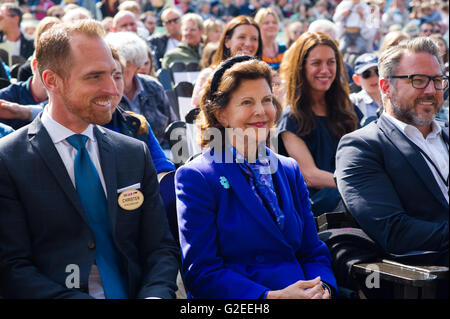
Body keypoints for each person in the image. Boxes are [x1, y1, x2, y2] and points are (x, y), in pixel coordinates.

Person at [0, 19, 179, 299]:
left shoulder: (133, 153)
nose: (112, 89)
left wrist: (155, 295)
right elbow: (12, 268)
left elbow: (160, 248)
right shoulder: (9, 160)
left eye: (113, 74)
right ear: (51, 80)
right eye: (94, 76)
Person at [176, 56, 337, 299]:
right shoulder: (197, 177)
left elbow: (312, 251)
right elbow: (201, 272)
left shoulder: (288, 169)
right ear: (221, 115)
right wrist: (271, 297)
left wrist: (322, 288)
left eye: (266, 100)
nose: (261, 112)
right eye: (247, 102)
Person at [335, 37, 449, 266]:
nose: (431, 90)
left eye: (437, 80)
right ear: (386, 87)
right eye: (418, 80)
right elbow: (394, 232)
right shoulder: (361, 147)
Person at [277, 32, 362, 216]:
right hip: (319, 206)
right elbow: (310, 176)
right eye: (316, 63)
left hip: (355, 195)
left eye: (331, 62)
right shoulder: (291, 118)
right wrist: (356, 183)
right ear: (301, 68)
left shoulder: (349, 110)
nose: (325, 70)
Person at [105, 31, 178, 150]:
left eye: (128, 64)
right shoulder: (108, 92)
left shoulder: (152, 86)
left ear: (136, 65)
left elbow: (174, 127)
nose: (121, 68)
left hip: (163, 153)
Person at [191, 15, 262, 108]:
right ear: (227, 41)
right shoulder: (209, 75)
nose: (248, 43)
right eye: (242, 37)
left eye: (254, 39)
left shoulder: (264, 76)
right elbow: (197, 113)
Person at [349, 53, 382, 125]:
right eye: (366, 74)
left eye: (377, 71)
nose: (374, 78)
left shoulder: (394, 99)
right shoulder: (353, 102)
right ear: (356, 79)